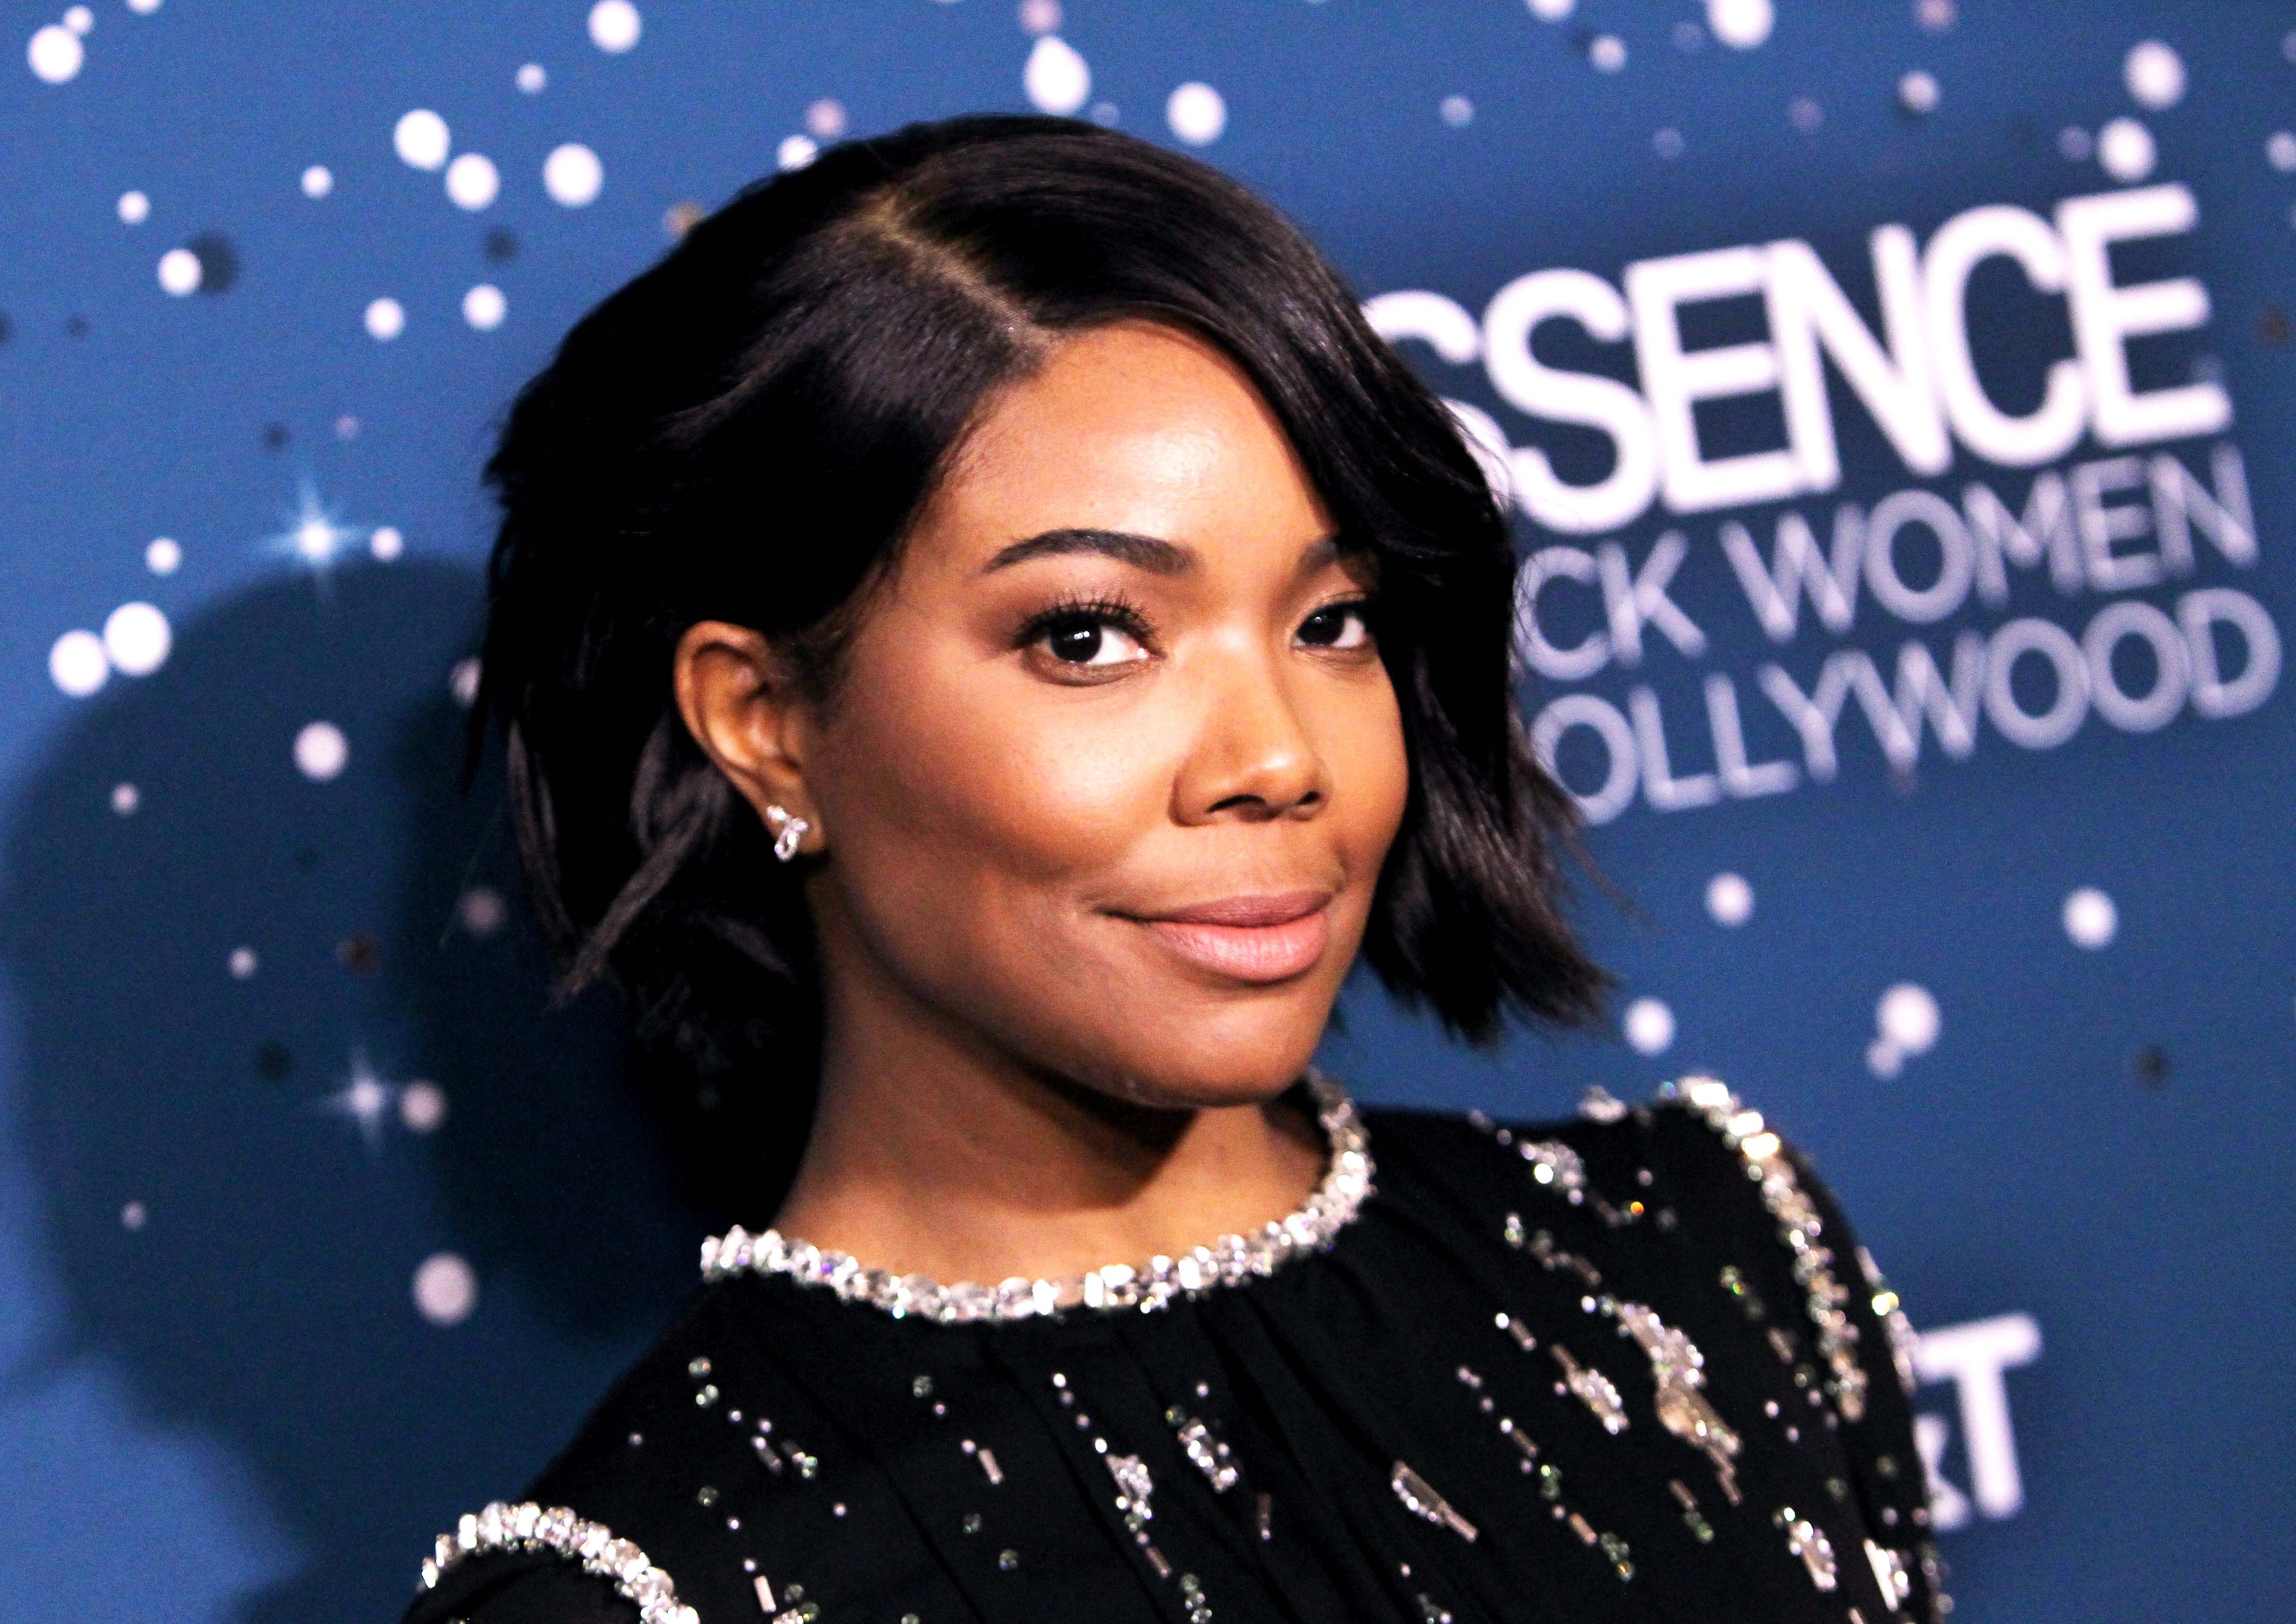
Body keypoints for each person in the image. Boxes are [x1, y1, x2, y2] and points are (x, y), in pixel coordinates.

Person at [403, 113, 1938, 1624]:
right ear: (767, 724)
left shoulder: (1705, 1267)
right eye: (1088, 637)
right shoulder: (654, 1593)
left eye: (1332, 621)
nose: (1277, 757)